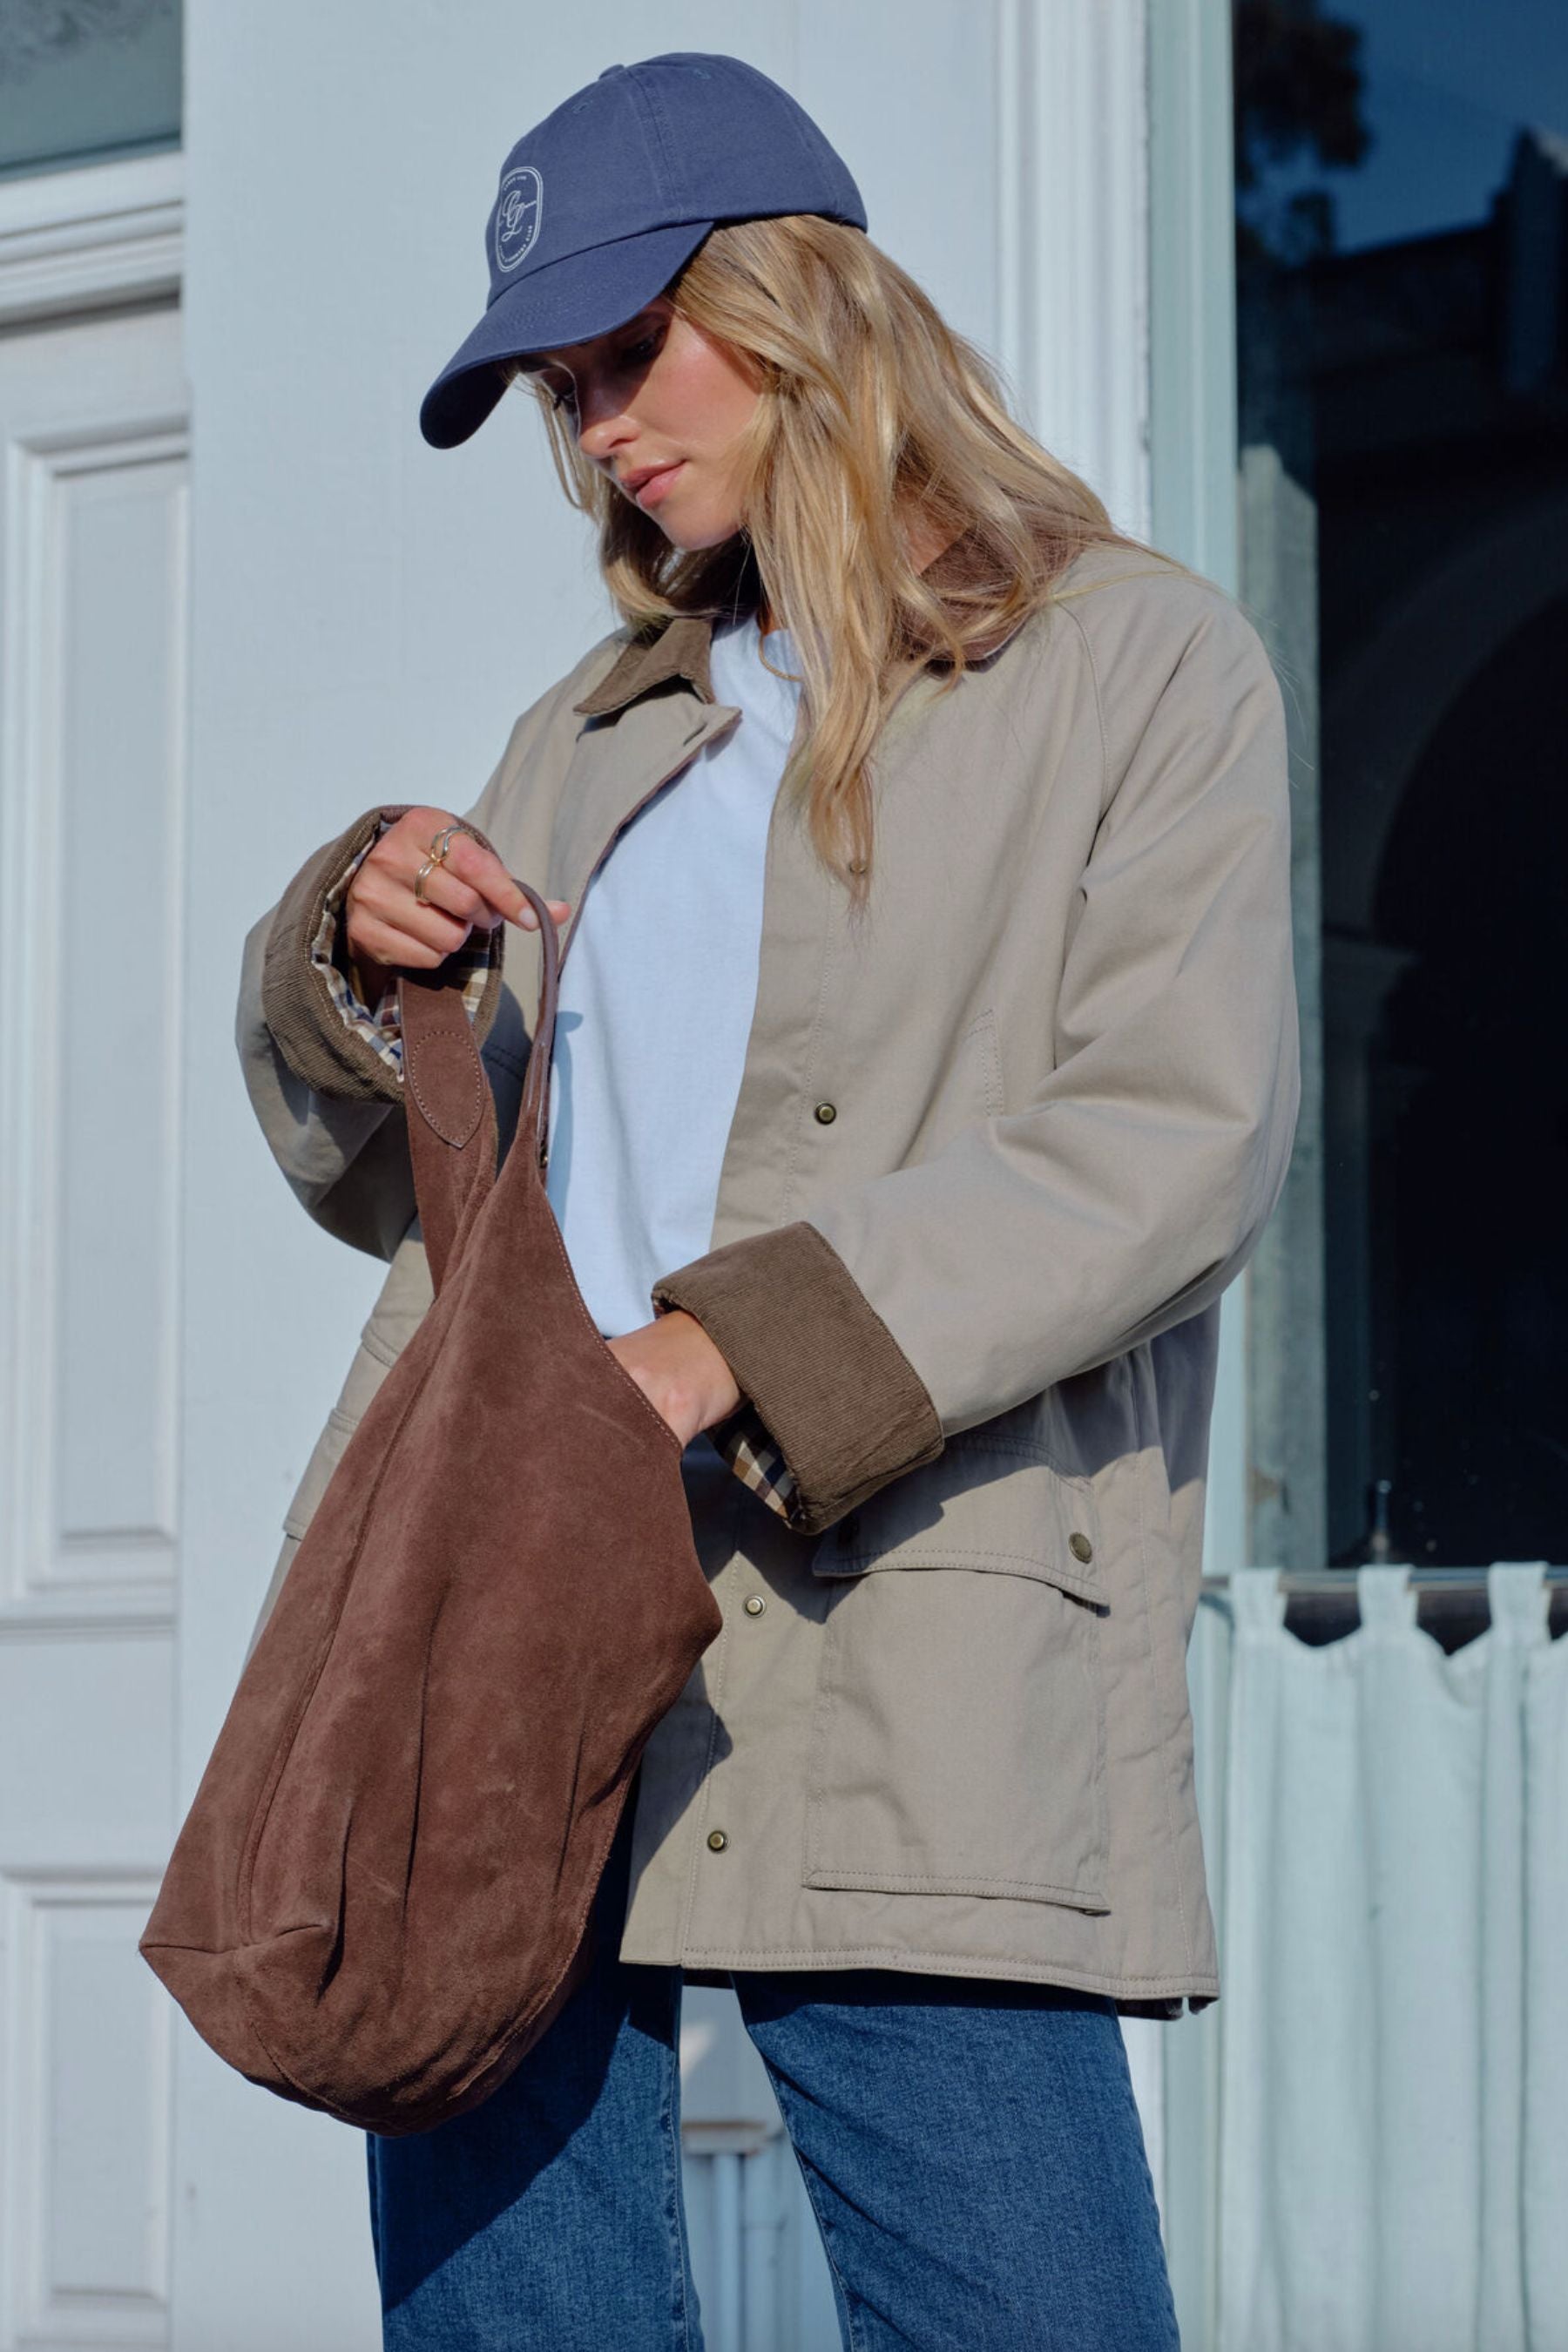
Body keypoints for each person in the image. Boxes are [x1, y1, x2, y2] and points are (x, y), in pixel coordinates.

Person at [238, 50, 1299, 2352]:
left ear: (798, 300)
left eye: (632, 351)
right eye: (563, 389)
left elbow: (1171, 1134)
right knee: (517, 2321)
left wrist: (728, 1347)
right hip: (522, 1629)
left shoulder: (1132, 670)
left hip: (915, 1630)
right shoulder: (587, 736)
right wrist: (351, 953)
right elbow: (426, 1201)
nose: (600, 427)